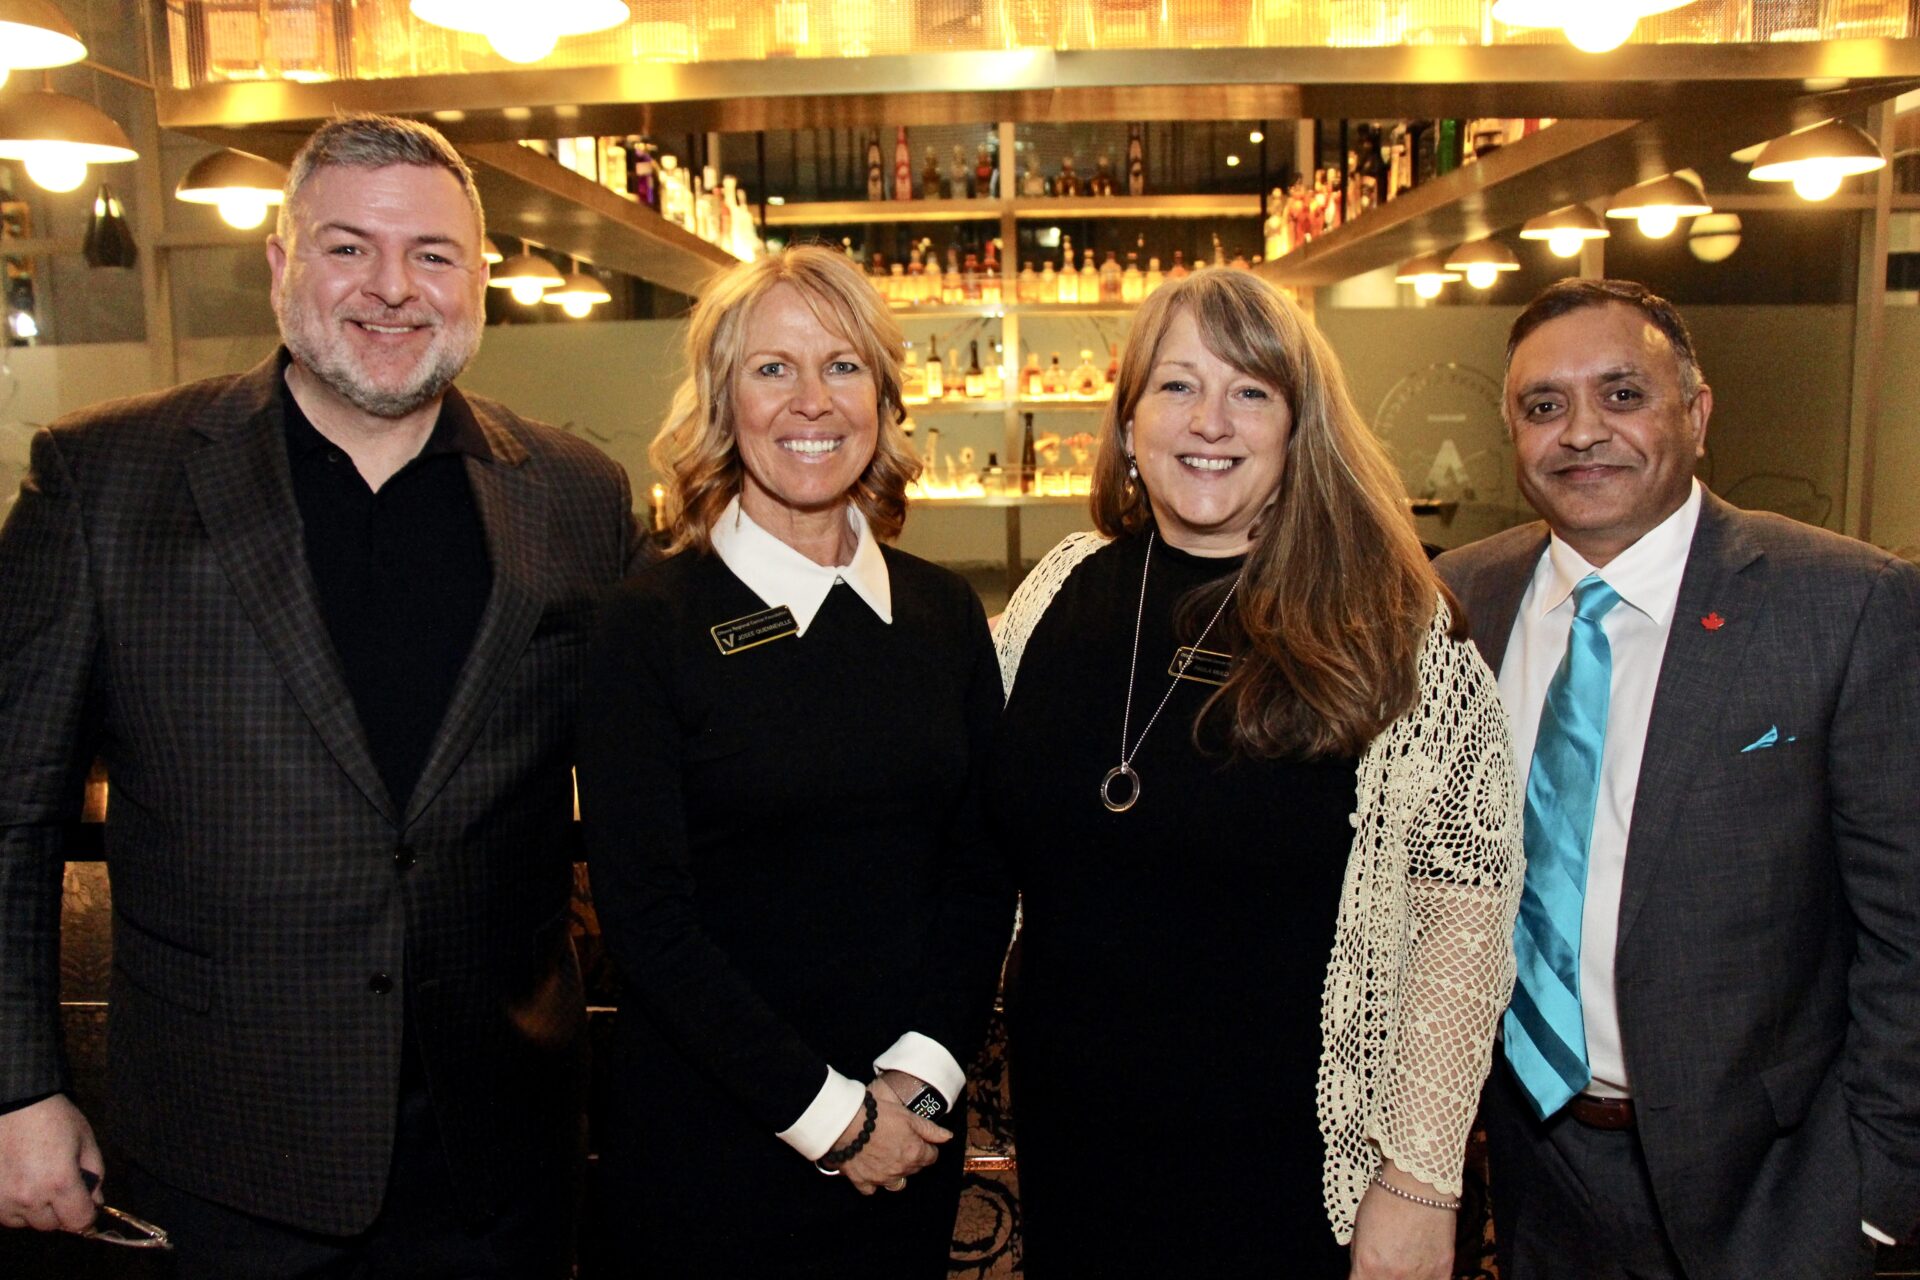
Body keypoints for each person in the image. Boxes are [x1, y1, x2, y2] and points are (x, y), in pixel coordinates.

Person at [0, 114, 646, 1276]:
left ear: (479, 276)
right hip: (225, 1160)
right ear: (280, 263)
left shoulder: (577, 495)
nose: (394, 288)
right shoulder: (104, 479)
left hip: (501, 1154)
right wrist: (16, 1091)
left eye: (433, 255)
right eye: (348, 247)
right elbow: (10, 813)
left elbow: (672, 754)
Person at [993, 268, 1523, 1278]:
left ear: (1297, 429)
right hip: (1084, 1148)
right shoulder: (1060, 587)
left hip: (1295, 1171)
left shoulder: (1394, 627)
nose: (1212, 421)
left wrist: (1417, 1180)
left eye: (1251, 391)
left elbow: (1465, 914)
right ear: (1128, 421)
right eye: (1178, 385)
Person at [1434, 278, 1920, 1279]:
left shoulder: (1846, 606)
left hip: (1770, 1192)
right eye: (1543, 405)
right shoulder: (1457, 599)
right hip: (1527, 1162)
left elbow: (1908, 930)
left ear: (1695, 413)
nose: (1581, 433)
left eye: (1622, 394)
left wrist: (1874, 1195)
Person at [576, 244, 1013, 1278]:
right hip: (714, 1143)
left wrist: (919, 1078)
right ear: (723, 400)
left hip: (910, 1141)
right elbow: (645, 916)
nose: (811, 400)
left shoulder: (943, 612)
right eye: (773, 367)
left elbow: (984, 864)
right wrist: (832, 1118)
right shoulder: (646, 621)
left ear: (886, 397)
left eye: (844, 365)